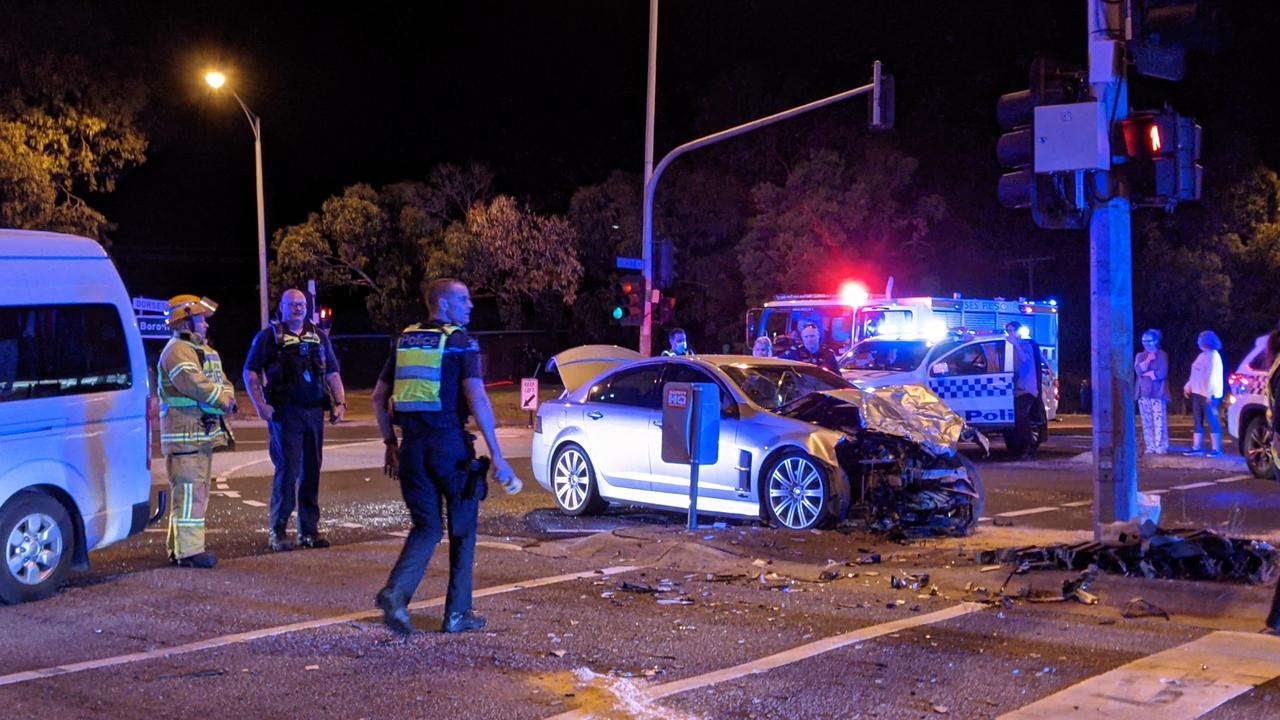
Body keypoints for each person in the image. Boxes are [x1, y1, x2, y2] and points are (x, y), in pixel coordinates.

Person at [371, 278, 523, 635]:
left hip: (411, 449)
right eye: (464, 299)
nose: (471, 305)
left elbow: (379, 397)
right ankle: (457, 614)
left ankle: (396, 592)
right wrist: (498, 457)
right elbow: (477, 398)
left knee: (426, 528)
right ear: (443, 305)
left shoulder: (404, 341)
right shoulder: (460, 342)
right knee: (463, 530)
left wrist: (390, 444)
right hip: (449, 448)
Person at [244, 288, 347, 552]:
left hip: (314, 413)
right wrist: (260, 405)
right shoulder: (269, 336)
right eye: (293, 304)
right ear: (282, 306)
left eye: (302, 304)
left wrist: (340, 403)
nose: (298, 308)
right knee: (288, 471)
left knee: (312, 471)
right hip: (285, 413)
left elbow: (333, 373)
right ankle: (278, 532)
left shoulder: (319, 337)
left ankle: (308, 532)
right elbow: (251, 372)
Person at [157, 295, 236, 569]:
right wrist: (224, 401)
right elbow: (195, 384)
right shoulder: (177, 351)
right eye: (200, 319)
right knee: (191, 494)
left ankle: (180, 549)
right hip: (185, 435)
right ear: (186, 320)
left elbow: (222, 381)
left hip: (198, 436)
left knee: (192, 494)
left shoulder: (203, 351)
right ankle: (189, 552)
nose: (205, 325)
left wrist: (227, 396)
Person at [1005, 320, 1046, 459]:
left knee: (1021, 417)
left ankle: (1029, 449)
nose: (1009, 333)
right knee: (1018, 418)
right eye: (1008, 331)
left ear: (1018, 332)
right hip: (1017, 389)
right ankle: (1020, 447)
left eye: (1011, 331)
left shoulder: (1025, 345)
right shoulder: (1009, 347)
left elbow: (1025, 360)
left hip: (1027, 389)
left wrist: (1015, 344)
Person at [1182, 329, 1225, 457]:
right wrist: (1188, 385)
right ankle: (1196, 447)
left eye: (1200, 340)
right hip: (1197, 392)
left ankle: (1216, 449)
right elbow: (1195, 372)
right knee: (1197, 419)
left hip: (1208, 394)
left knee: (1212, 419)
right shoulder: (1202, 355)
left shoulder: (1214, 357)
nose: (1198, 342)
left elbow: (1212, 376)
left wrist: (1210, 394)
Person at [1134, 329, 1171, 455]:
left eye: (1149, 341)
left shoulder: (1162, 355)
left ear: (1156, 341)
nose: (1146, 344)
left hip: (1157, 392)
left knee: (1159, 420)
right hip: (1143, 392)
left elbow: (1161, 373)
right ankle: (1150, 446)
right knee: (1147, 421)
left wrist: (1149, 373)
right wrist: (1148, 360)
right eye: (1144, 341)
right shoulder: (1140, 356)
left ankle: (1160, 446)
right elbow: (1139, 371)